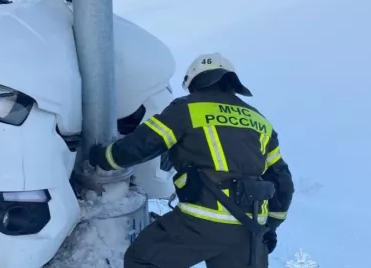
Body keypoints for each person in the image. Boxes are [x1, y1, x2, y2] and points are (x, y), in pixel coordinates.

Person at [88, 53, 294, 268]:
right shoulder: (259, 120)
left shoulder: (187, 108)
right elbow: (282, 180)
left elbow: (145, 143)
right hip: (250, 226)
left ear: (194, 81)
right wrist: (270, 226)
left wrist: (104, 158)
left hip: (203, 220)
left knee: (142, 259)